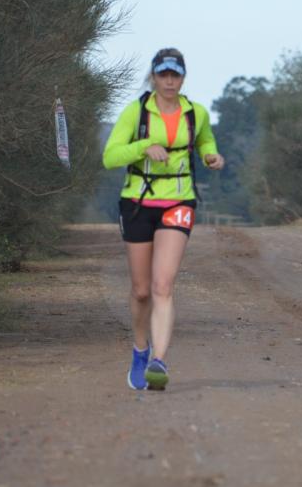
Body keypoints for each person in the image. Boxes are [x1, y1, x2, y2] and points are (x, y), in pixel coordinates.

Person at [103, 48, 225, 390]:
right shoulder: (135, 113)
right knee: (141, 291)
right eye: (163, 74)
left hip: (179, 201)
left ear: (183, 77)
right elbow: (110, 157)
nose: (170, 81)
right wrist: (143, 147)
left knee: (163, 285)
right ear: (153, 77)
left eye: (176, 74)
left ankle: (159, 360)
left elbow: (205, 140)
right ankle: (140, 351)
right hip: (138, 203)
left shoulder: (195, 113)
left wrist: (210, 155)